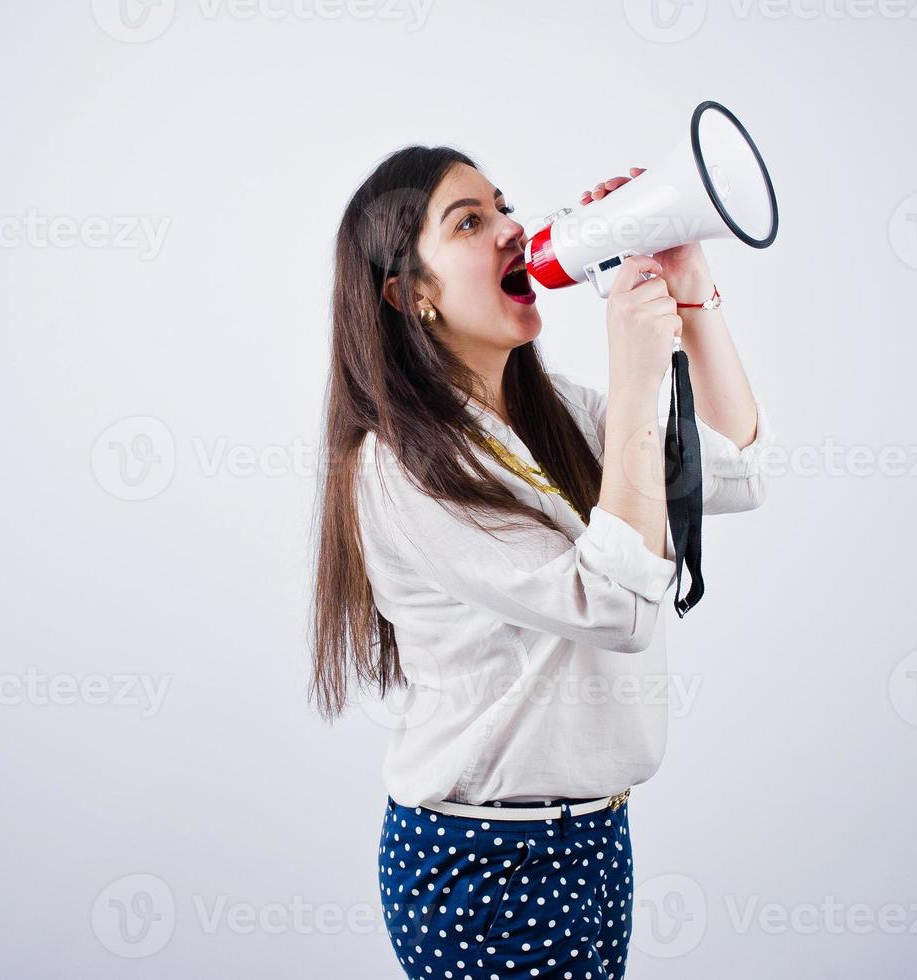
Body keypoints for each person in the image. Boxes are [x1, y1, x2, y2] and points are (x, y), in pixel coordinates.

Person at [308, 145, 772, 980]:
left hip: (597, 835)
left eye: (503, 206)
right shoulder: (398, 467)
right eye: (469, 222)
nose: (512, 230)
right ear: (410, 295)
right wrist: (633, 372)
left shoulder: (554, 413)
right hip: (484, 860)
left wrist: (687, 282)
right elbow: (616, 611)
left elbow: (735, 468)